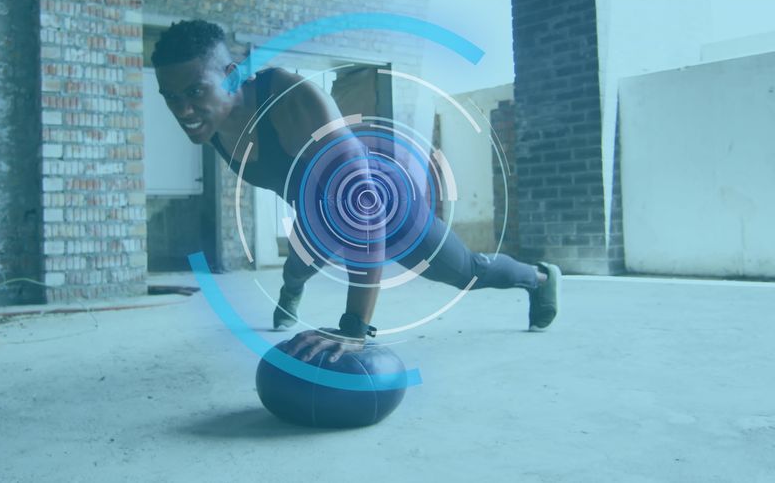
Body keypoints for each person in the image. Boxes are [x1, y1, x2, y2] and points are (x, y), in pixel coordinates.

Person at [151, 20, 561, 363]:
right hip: (317, 210)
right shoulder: (212, 122)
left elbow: (362, 211)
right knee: (298, 264)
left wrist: (354, 329)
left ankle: (540, 278)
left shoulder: (294, 102)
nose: (181, 109)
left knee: (465, 271)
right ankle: (291, 291)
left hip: (379, 200)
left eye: (194, 91)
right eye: (170, 96)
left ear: (230, 75)